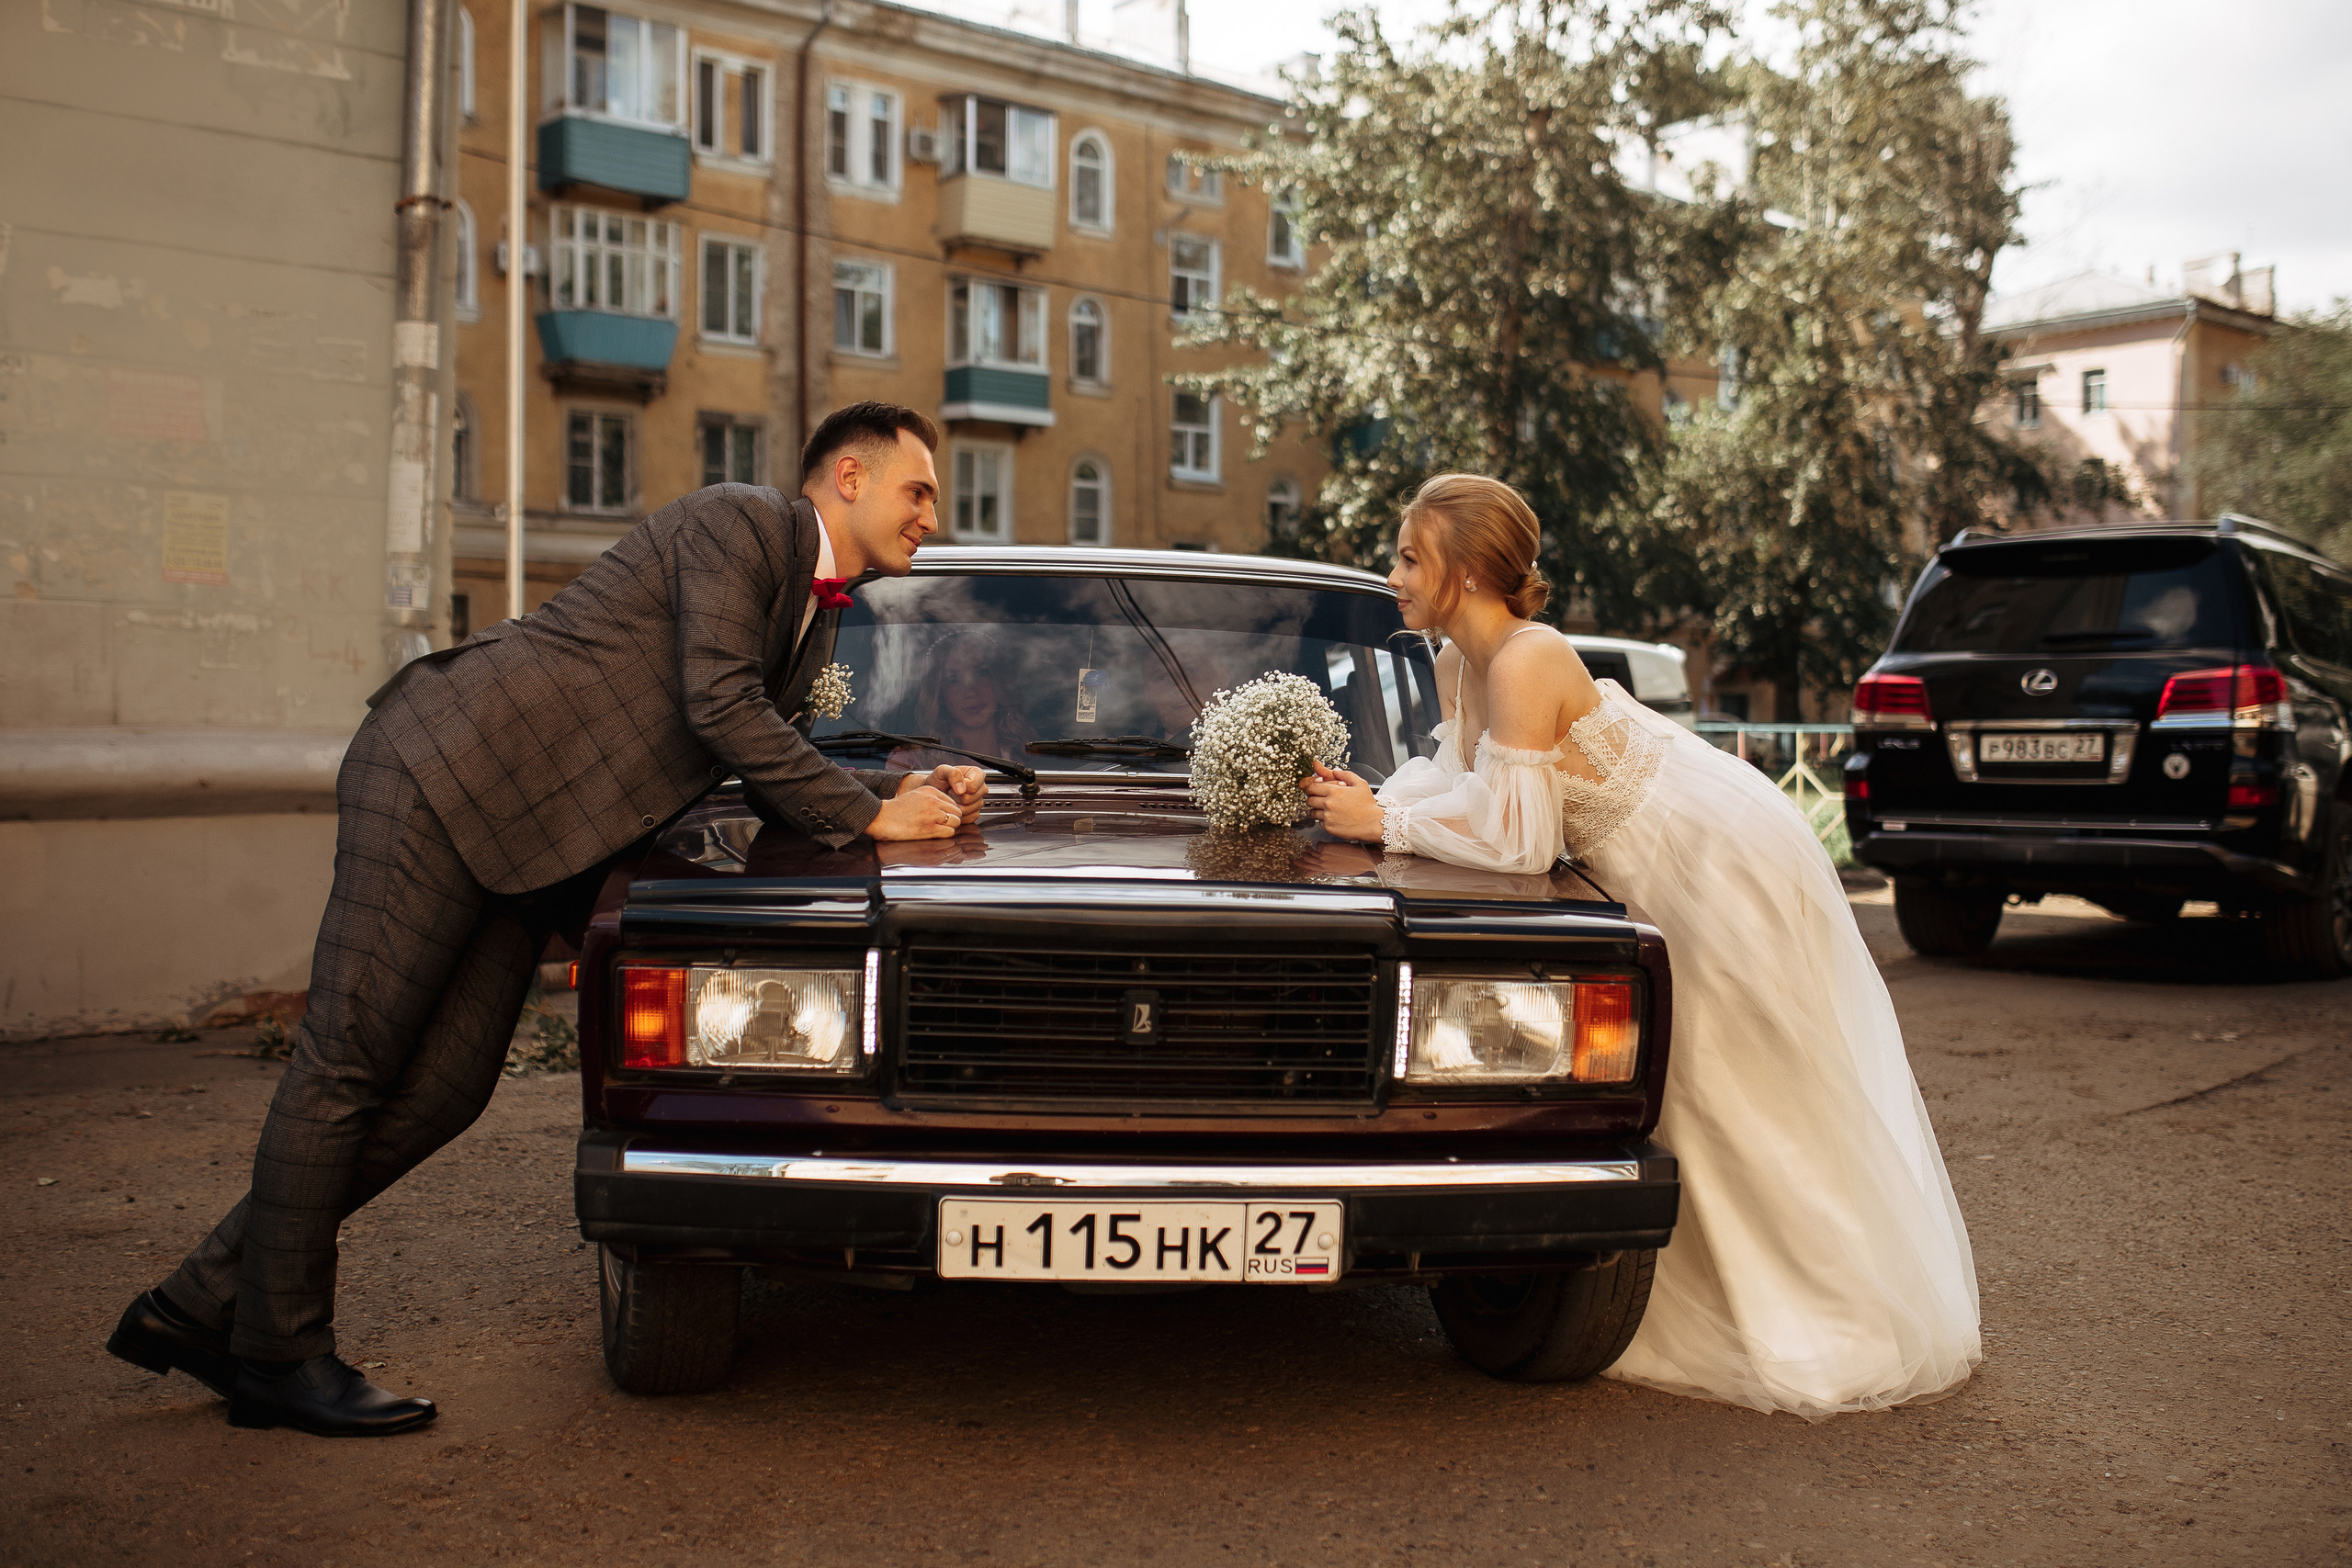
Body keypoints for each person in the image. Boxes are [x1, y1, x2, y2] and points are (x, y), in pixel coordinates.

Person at [106, 401, 989, 1438]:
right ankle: (276, 1353)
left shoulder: (818, 610)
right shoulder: (740, 522)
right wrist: (872, 814)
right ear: (848, 475)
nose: (934, 516)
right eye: (918, 490)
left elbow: (760, 760)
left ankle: (203, 1298)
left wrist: (907, 787)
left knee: (442, 1091)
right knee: (346, 1066)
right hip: (444, 771)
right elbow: (716, 703)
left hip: (532, 835)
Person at [1303, 474, 1981, 1421]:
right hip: (1645, 865)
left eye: (1410, 557)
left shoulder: (1525, 659)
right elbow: (1460, 782)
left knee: (1744, 1084)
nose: (1395, 574)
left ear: (1462, 572)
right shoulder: (1463, 665)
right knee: (1694, 1090)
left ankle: (1836, 1314)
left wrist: (1383, 825)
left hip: (1706, 858)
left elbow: (1518, 839)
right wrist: (1376, 802)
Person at [887, 630, 1037, 772]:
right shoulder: (911, 761)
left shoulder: (1032, 753)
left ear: (998, 680)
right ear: (939, 694)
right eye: (953, 679)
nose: (971, 692)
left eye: (981, 673)